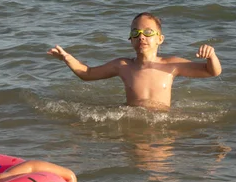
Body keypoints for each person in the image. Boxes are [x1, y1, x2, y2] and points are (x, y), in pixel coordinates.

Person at [47, 12, 222, 110]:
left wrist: (211, 56)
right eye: (135, 33)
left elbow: (212, 71)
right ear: (130, 39)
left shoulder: (171, 65)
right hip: (132, 119)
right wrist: (67, 58)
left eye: (147, 32)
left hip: (163, 122)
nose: (141, 37)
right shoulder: (123, 66)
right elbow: (88, 74)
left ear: (160, 39)